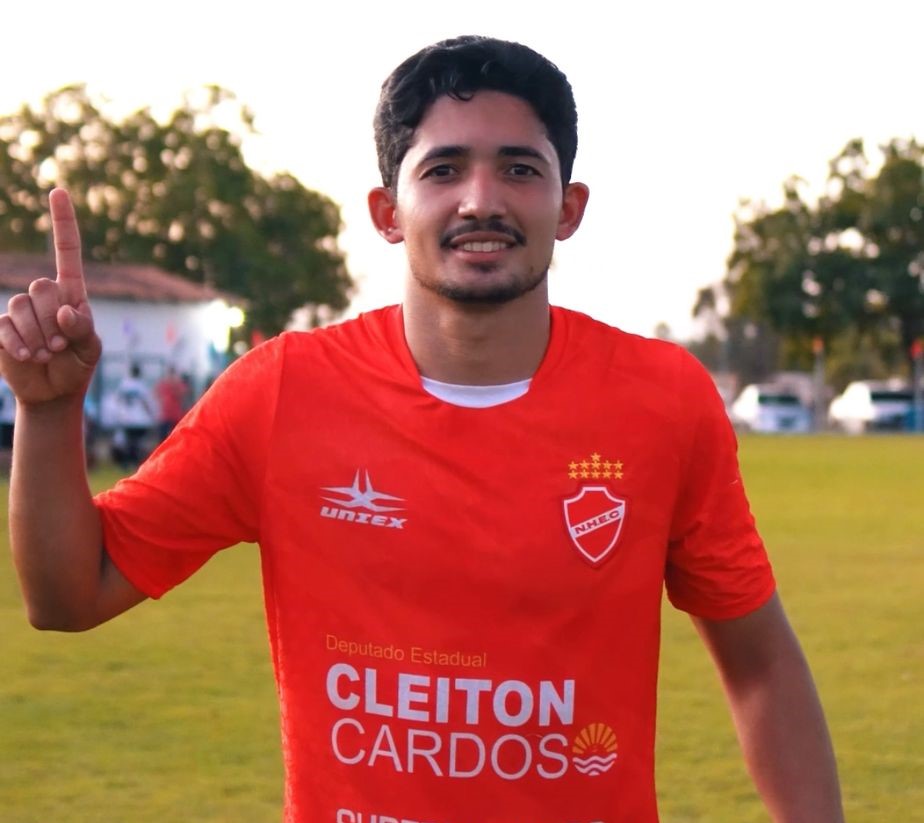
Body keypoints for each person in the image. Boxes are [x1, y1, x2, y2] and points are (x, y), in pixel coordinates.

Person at [1, 36, 843, 823]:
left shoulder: (663, 400)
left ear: (569, 205)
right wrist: (48, 411)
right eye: (443, 169)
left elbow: (762, 664)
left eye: (520, 168)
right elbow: (69, 594)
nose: (482, 200)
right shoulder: (282, 392)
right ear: (387, 210)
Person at [154, 365, 187, 441]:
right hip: (168, 414)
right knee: (165, 437)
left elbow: (182, 396)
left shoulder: (175, 384)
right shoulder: (168, 384)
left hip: (173, 414)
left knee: (173, 437)